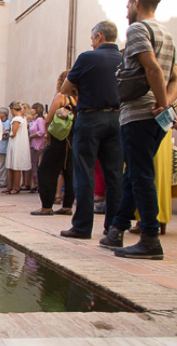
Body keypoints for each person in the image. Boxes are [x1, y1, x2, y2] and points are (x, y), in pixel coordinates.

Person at [101, 0, 177, 259]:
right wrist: (166, 103)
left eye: (127, 5)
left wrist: (160, 101)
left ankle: (149, 238)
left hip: (139, 115)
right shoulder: (166, 34)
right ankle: (118, 228)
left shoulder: (137, 30)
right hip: (157, 118)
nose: (126, 11)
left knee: (141, 176)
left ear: (136, 3)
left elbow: (152, 68)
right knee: (134, 173)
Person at [60, 20, 123, 239]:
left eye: (92, 37)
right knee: (114, 176)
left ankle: (82, 226)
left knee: (85, 172)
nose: (91, 41)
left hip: (90, 118)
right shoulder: (123, 58)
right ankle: (113, 228)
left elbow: (64, 89)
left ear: (99, 37)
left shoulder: (87, 57)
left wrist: (82, 87)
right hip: (117, 118)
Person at [32, 71, 76, 216]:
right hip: (74, 139)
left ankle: (46, 206)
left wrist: (48, 138)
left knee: (45, 170)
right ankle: (67, 206)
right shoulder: (80, 97)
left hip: (59, 139)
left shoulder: (61, 97)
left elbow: (49, 119)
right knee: (69, 172)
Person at [4, 101, 31, 194]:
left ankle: (15, 186)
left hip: (16, 144)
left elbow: (13, 133)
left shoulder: (17, 119)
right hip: (18, 143)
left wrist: (6, 133)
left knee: (15, 166)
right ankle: (10, 186)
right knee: (11, 166)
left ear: (13, 109)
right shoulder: (23, 118)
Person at [28, 103, 47, 193]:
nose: (31, 110)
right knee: (34, 164)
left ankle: (39, 184)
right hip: (33, 145)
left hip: (39, 145)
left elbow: (42, 131)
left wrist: (32, 136)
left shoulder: (40, 120)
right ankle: (36, 184)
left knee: (37, 164)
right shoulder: (34, 120)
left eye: (33, 108)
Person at [0, 108, 10, 188]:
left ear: (4, 114)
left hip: (3, 146)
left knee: (2, 165)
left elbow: (7, 133)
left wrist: (2, 133)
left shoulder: (8, 122)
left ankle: (3, 181)